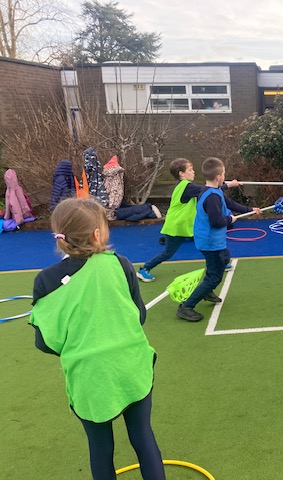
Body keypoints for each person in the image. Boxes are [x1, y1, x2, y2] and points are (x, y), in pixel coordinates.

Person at [29, 198, 165, 479]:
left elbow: (45, 343)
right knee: (143, 437)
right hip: (131, 367)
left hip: (90, 377)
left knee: (100, 447)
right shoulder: (120, 264)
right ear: (97, 233)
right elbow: (139, 316)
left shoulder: (46, 280)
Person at [176, 157, 261, 322]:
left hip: (211, 240)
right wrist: (230, 220)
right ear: (219, 177)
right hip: (210, 241)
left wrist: (251, 209)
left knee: (223, 259)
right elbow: (217, 221)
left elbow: (231, 204)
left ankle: (206, 290)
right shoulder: (212, 197)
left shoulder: (211, 191)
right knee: (215, 276)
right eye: (223, 173)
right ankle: (186, 306)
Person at [137, 158, 240, 282]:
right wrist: (229, 185)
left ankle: (221, 263)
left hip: (185, 226)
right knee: (168, 253)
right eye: (190, 170)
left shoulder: (184, 186)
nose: (193, 172)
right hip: (176, 227)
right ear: (181, 173)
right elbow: (209, 190)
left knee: (206, 243)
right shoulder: (187, 187)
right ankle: (144, 269)